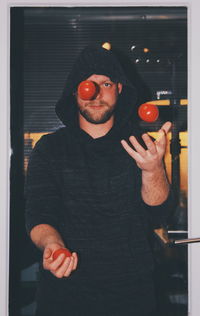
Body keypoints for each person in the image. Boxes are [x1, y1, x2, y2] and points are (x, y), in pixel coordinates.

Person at [25, 44, 173, 316]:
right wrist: (52, 244)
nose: (94, 93)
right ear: (74, 90)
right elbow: (39, 213)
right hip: (64, 293)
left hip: (132, 294)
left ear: (119, 88)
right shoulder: (50, 148)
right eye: (87, 84)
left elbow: (157, 213)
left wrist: (152, 170)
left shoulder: (142, 146)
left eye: (105, 83)